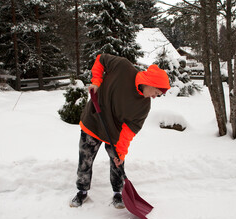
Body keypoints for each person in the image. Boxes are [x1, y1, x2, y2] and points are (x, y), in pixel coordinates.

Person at [70, 53, 170, 208]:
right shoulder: (123, 67)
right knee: (85, 158)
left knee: (117, 163)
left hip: (114, 132)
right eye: (156, 93)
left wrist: (121, 153)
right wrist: (96, 82)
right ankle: (81, 192)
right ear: (151, 83)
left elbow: (128, 132)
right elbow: (100, 59)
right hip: (94, 119)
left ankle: (118, 193)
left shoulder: (144, 106)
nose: (155, 97)